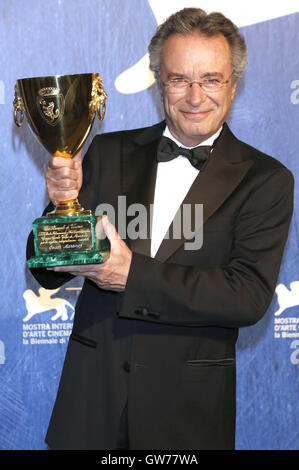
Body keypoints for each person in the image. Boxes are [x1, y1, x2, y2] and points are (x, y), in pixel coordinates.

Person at [27, 8, 294, 450]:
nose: (194, 96)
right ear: (158, 80)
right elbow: (44, 270)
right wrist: (59, 203)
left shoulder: (266, 180)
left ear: (233, 84)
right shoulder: (106, 151)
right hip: (91, 409)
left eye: (210, 79)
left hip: (187, 418)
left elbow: (246, 296)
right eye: (178, 79)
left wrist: (131, 275)